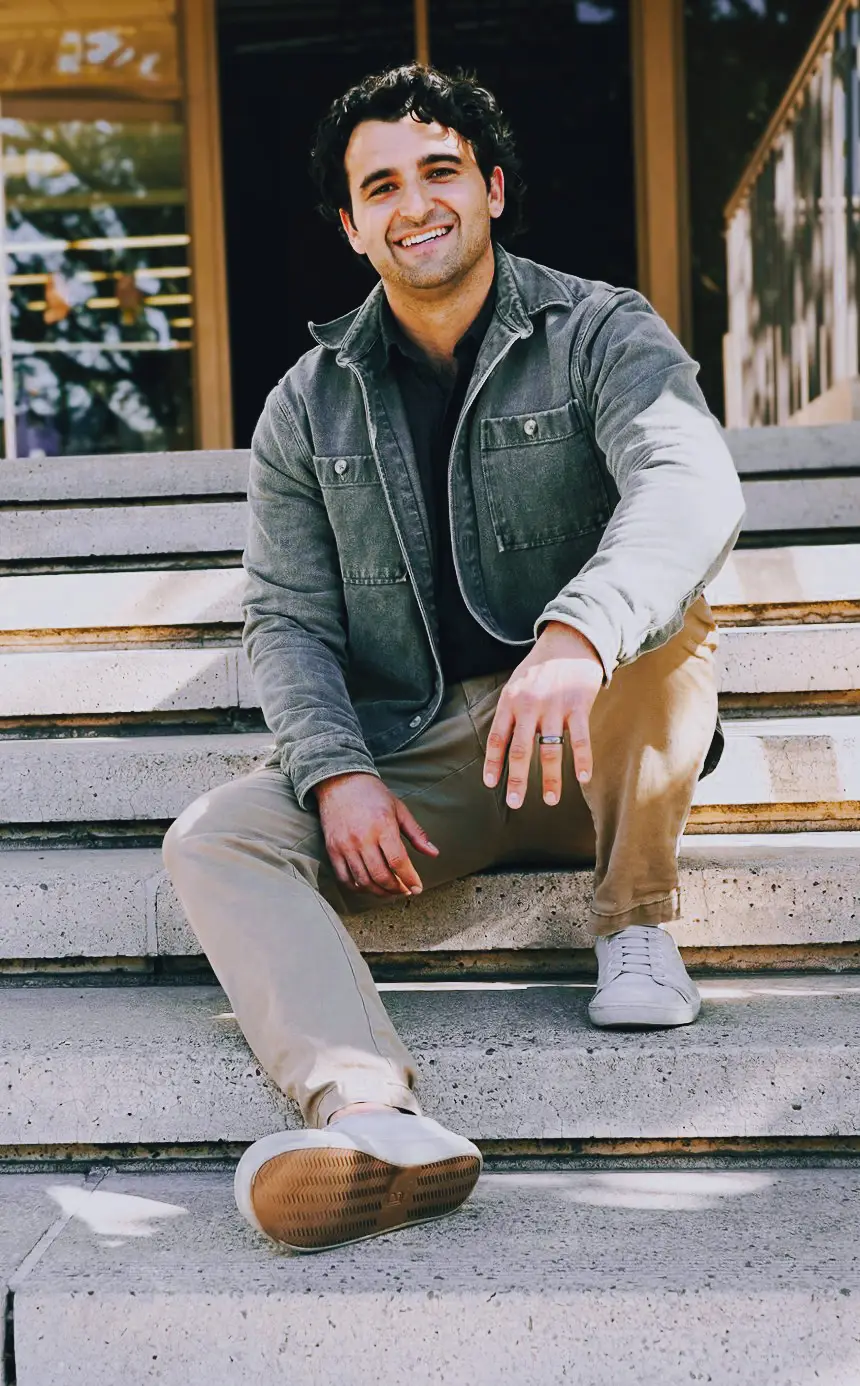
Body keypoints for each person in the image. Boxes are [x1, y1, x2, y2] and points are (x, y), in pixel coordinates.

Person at [162, 63, 745, 1254]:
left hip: (599, 754)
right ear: (349, 223)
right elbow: (284, 619)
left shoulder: (598, 329)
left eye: (437, 171)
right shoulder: (303, 405)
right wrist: (333, 772)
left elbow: (690, 481)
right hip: (437, 768)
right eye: (378, 185)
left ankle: (631, 924)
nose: (412, 202)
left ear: (487, 187)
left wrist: (577, 629)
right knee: (214, 833)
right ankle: (371, 1114)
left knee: (659, 609)